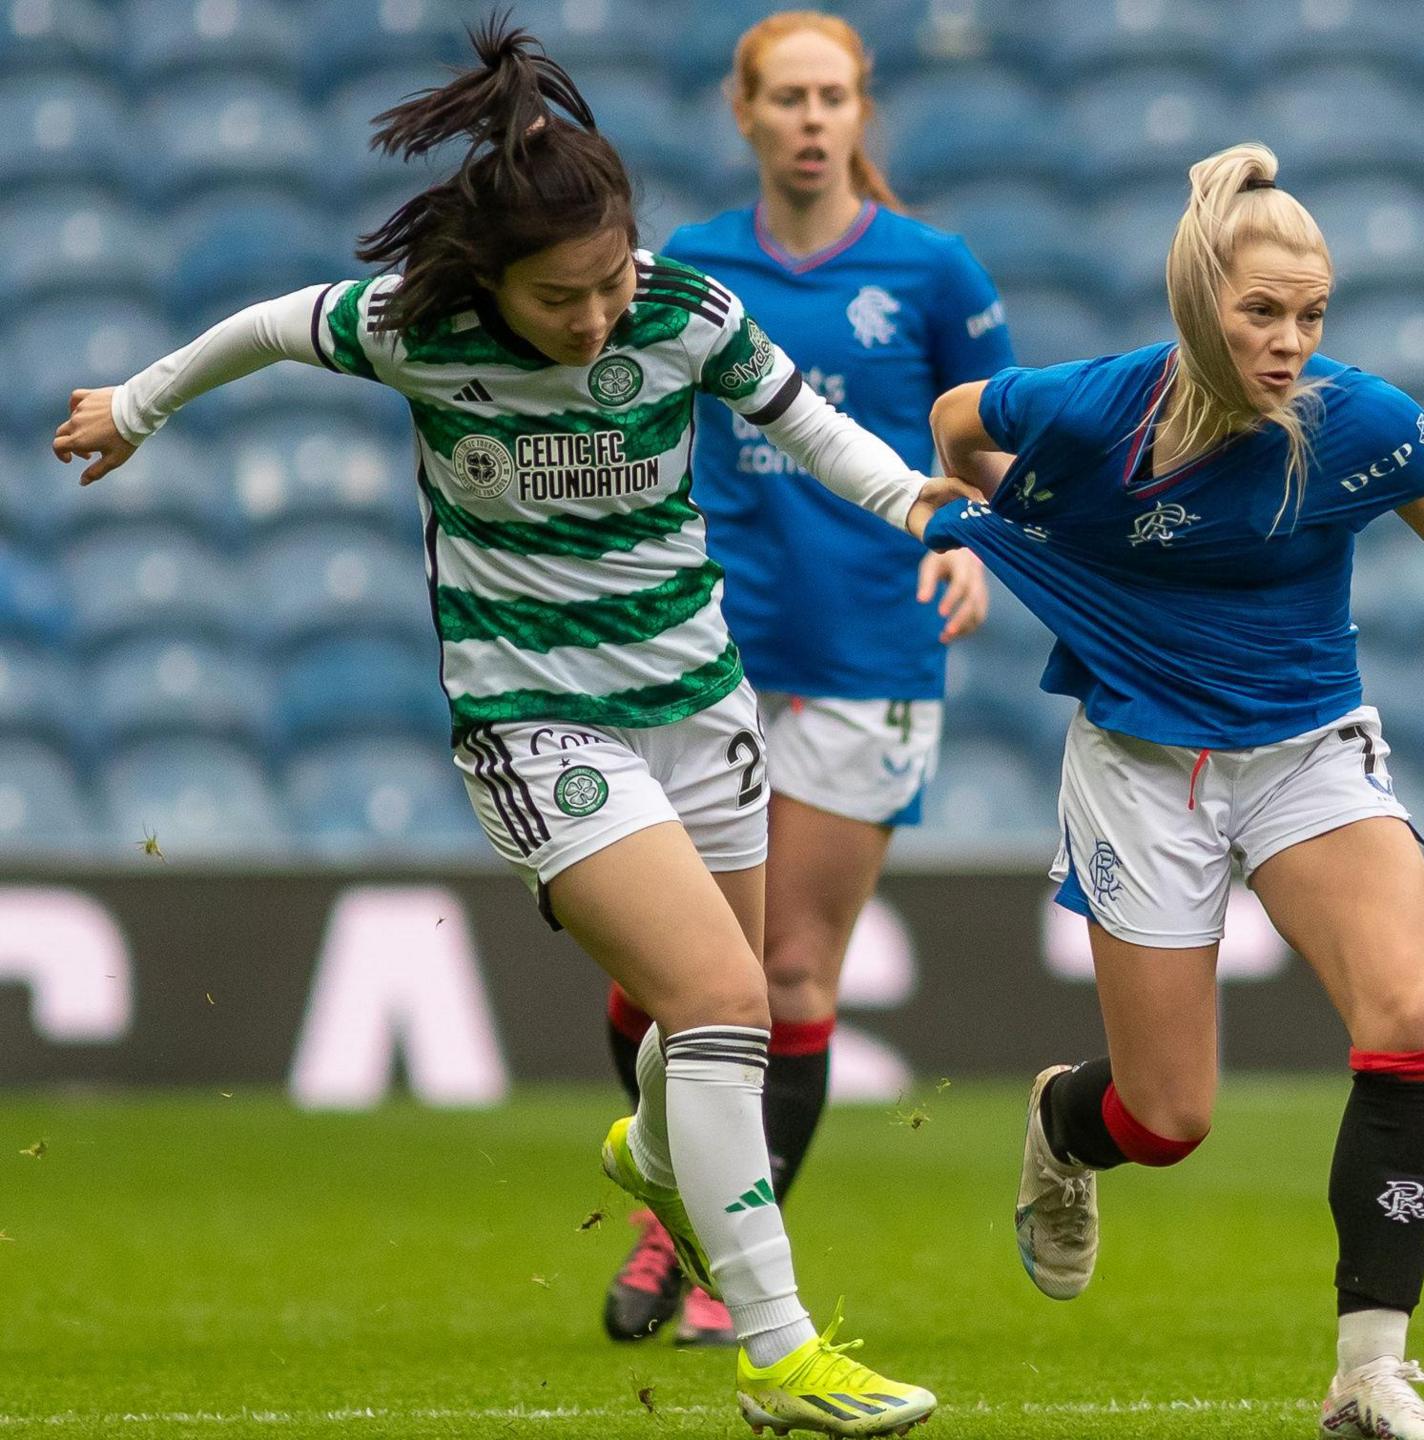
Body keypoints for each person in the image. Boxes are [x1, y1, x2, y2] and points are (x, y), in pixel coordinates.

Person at [50, 24, 962, 1436]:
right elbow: (259, 326)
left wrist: (914, 499)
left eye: (609, 284)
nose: (596, 319)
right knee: (728, 1011)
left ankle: (652, 1148)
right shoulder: (413, 325)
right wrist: (135, 407)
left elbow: (806, 425)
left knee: (720, 1018)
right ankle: (780, 1354)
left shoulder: (687, 315)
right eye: (560, 299)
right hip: (537, 727)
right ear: (492, 281)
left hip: (703, 707)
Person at [923, 141, 1424, 1440]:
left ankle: (1369, 1378)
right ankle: (1058, 1122)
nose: (1288, 341)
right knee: (1166, 1119)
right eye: (1262, 311)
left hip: (1309, 748)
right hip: (1144, 766)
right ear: (1200, 300)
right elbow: (951, 425)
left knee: (1407, 1014)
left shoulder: (1362, 422)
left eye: (1311, 315)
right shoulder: (1096, 411)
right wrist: (1036, 539)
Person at [598, 10, 1015, 1350]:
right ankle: (676, 1190)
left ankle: (718, 1255)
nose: (813, 118)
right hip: (701, 646)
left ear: (861, 108)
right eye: (787, 96)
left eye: (834, 95)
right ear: (745, 113)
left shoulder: (934, 271)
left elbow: (999, 446)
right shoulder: (688, 270)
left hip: (868, 656)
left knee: (786, 976)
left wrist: (984, 555)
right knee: (656, 964)